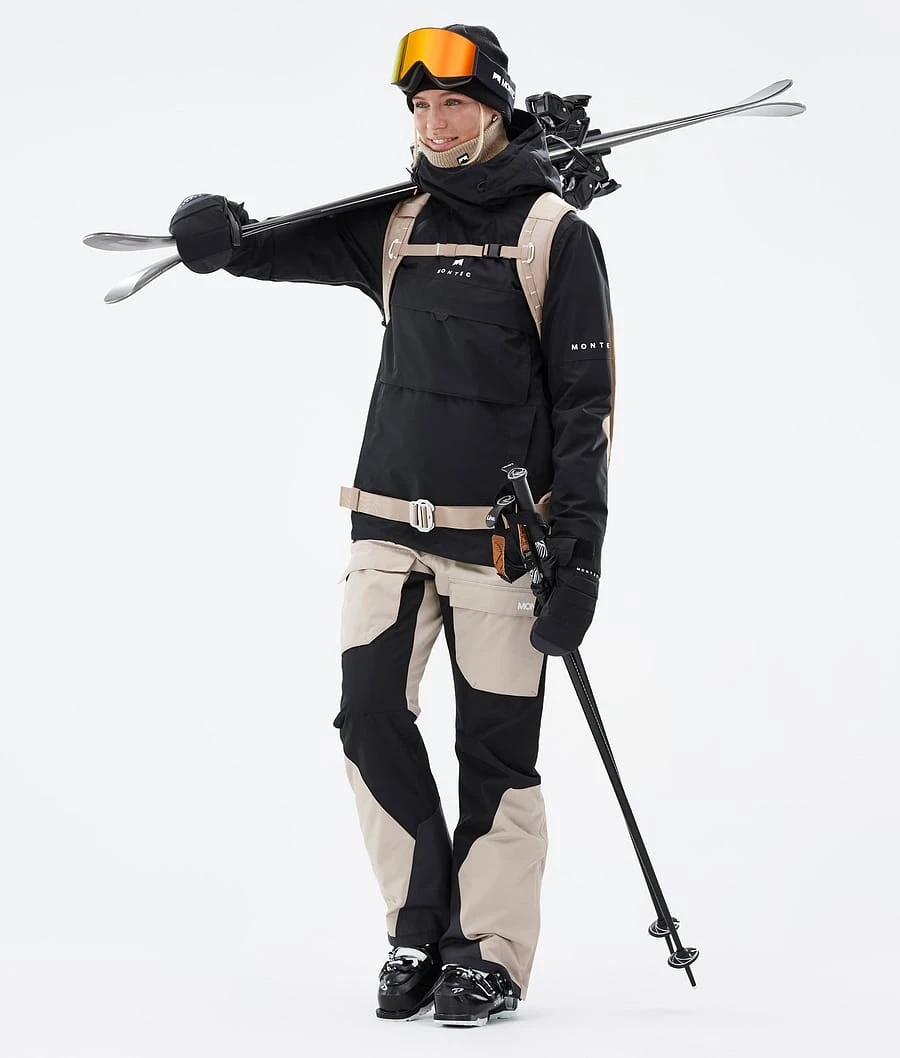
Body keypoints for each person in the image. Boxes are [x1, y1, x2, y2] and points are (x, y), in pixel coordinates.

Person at [169, 24, 614, 1027]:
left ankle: (488, 951)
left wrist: (580, 555)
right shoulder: (397, 221)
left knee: (495, 752)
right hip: (385, 527)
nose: (433, 122)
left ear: (495, 108)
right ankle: (419, 923)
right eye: (419, 106)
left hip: (502, 542)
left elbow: (586, 410)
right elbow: (270, 247)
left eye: (452, 103)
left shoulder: (556, 234)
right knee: (367, 716)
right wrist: (223, 239)